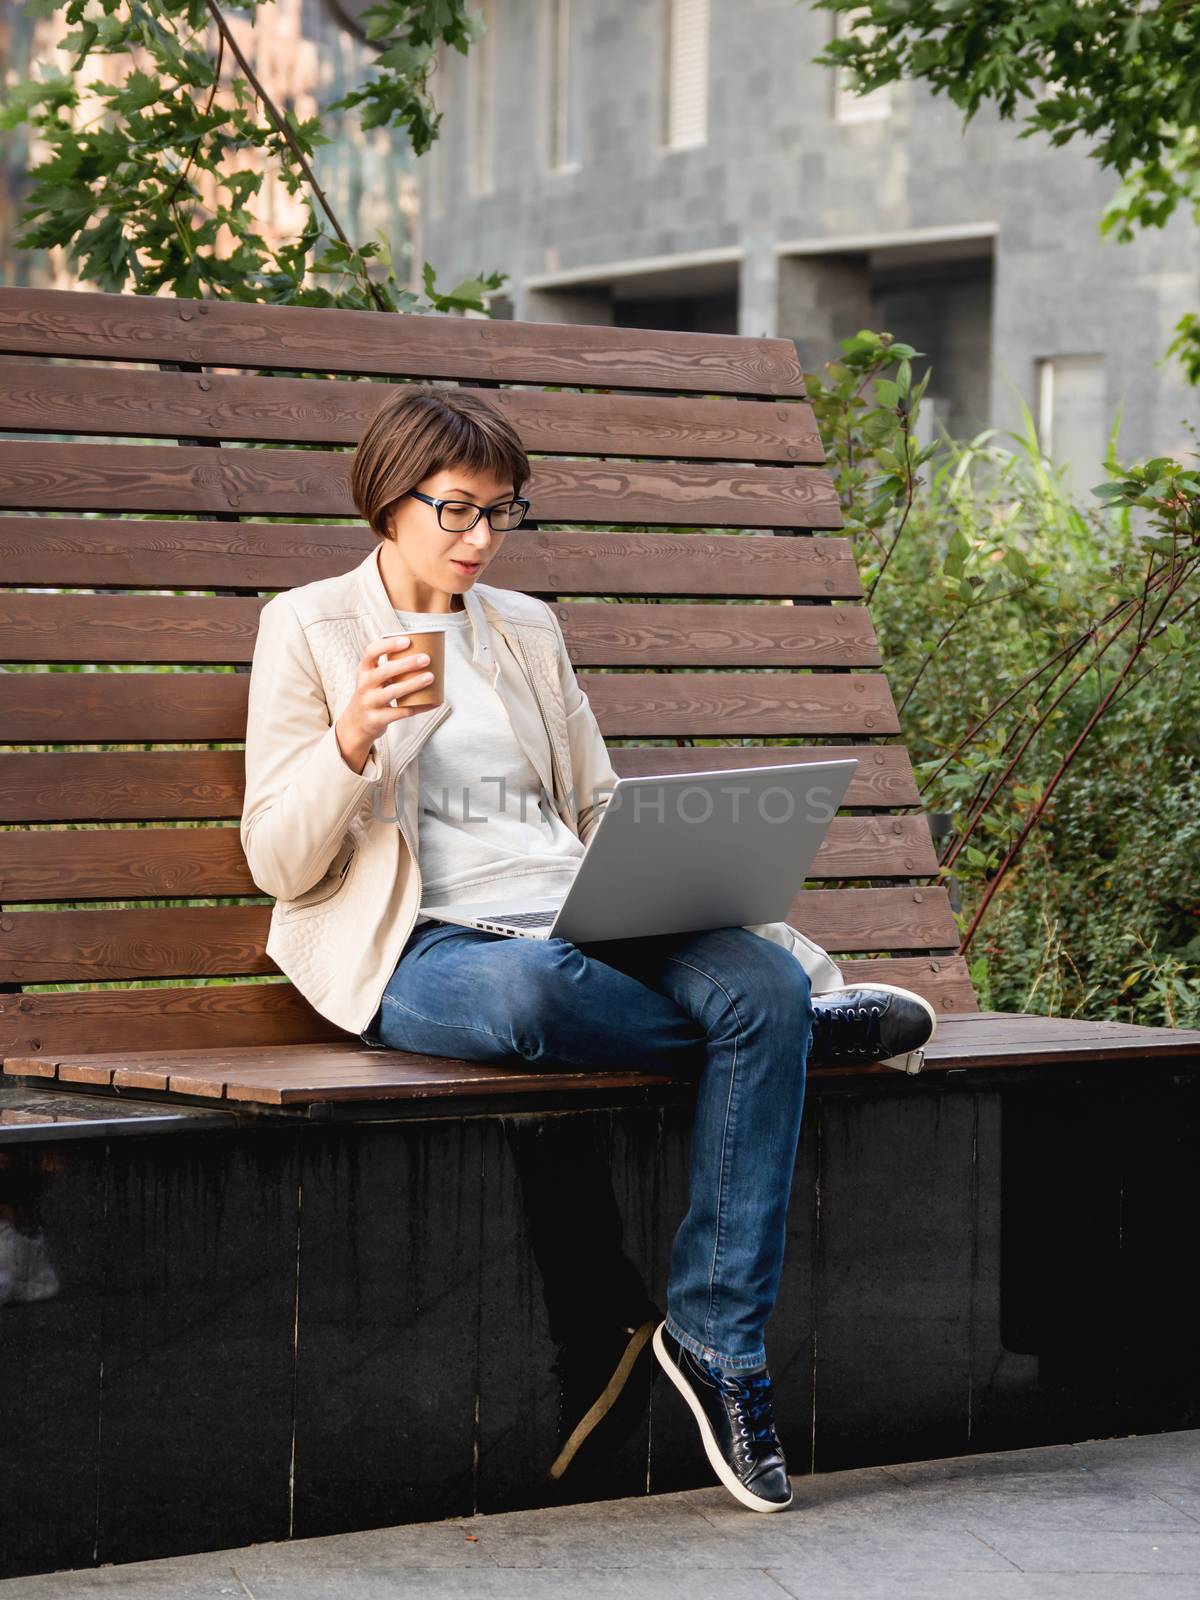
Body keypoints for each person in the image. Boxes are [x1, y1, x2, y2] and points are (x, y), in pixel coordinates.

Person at [240, 384, 936, 1514]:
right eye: (456, 511)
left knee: (751, 974)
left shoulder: (526, 627)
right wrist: (352, 738)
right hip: (425, 945)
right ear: (387, 498)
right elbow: (278, 859)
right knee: (539, 999)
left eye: (502, 514)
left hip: (578, 911)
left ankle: (719, 1345)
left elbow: (595, 801)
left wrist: (670, 867)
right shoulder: (311, 626)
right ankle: (789, 1042)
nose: (479, 539)